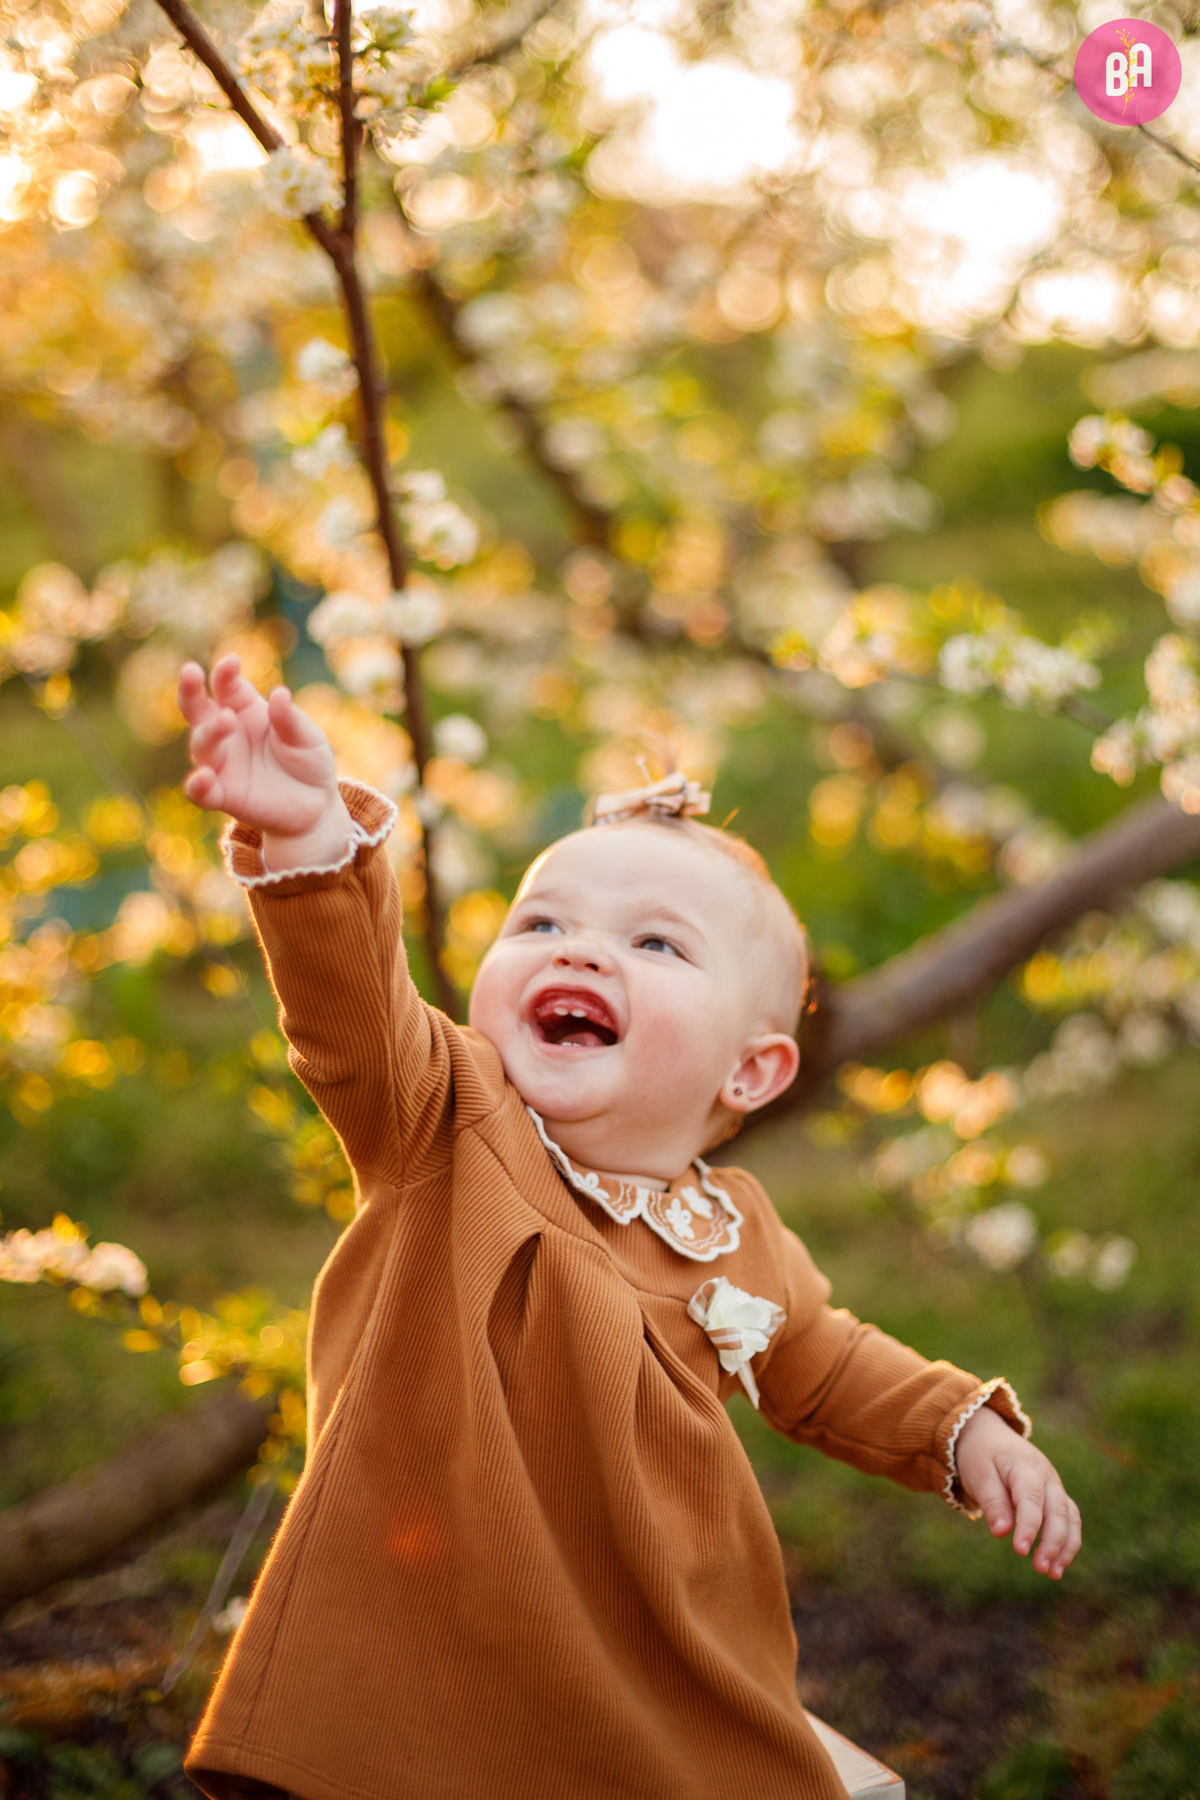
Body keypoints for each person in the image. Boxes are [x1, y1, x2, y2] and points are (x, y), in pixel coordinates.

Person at [178, 654, 1081, 1800]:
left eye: (656, 945)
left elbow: (825, 1361)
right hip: (440, 1626)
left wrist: (961, 1430)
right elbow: (348, 1005)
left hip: (652, 1635)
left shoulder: (731, 1229)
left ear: (751, 1072)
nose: (580, 949)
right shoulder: (446, 1123)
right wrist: (308, 839)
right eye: (542, 919)